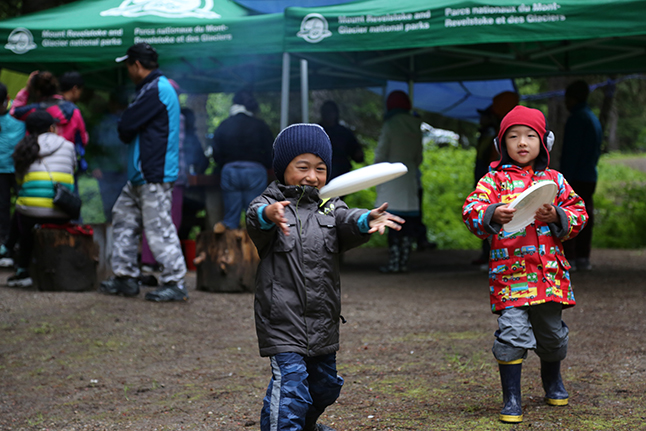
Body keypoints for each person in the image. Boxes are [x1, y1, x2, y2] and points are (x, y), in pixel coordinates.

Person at [246, 123, 404, 431]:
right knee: (290, 389)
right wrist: (269, 216)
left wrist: (365, 219)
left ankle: (306, 426)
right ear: (282, 168)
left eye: (320, 168)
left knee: (325, 387)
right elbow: (255, 217)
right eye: (302, 166)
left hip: (322, 320)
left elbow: (346, 221)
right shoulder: (269, 204)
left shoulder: (330, 206)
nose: (312, 176)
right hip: (283, 320)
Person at [462, 105, 588, 423]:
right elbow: (471, 210)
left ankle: (552, 379)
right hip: (510, 276)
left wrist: (558, 215)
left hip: (549, 277)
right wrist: (492, 213)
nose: (522, 142)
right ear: (501, 143)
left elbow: (580, 214)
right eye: (513, 136)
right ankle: (512, 398)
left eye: (530, 136)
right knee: (511, 334)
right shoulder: (493, 181)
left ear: (544, 142)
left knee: (552, 336)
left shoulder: (555, 180)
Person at [98, 43, 187, 302]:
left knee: (158, 228)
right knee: (123, 217)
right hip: (141, 174)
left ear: (136, 65)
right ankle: (125, 277)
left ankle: (175, 282)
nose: (127, 71)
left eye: (128, 66)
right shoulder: (150, 89)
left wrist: (126, 123)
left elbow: (125, 125)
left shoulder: (157, 89)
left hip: (154, 174)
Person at [5, 111, 76, 287]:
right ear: (52, 127)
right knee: (27, 211)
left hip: (31, 213)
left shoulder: (24, 147)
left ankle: (22, 268)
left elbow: (20, 181)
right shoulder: (68, 146)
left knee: (23, 212)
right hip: (63, 209)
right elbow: (71, 173)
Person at [374, 90, 423, 273]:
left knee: (392, 223)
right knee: (407, 225)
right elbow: (419, 157)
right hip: (409, 177)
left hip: (391, 177)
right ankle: (404, 262)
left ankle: (394, 263)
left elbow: (381, 153)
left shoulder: (390, 124)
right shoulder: (415, 124)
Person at [211, 90, 274, 231]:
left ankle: (228, 241)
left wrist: (224, 165)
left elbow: (216, 152)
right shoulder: (260, 125)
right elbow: (271, 150)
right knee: (255, 214)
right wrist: (265, 164)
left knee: (231, 218)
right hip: (255, 171)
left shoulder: (224, 125)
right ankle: (257, 247)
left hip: (230, 170)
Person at [472, 91, 519, 267]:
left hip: (496, 179)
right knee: (492, 214)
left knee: (500, 216)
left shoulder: (499, 132)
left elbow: (485, 155)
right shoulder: (496, 130)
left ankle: (492, 256)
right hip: (489, 179)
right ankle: (489, 255)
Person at [560, 80, 603, 271]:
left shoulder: (577, 119)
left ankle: (571, 256)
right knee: (585, 214)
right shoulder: (592, 118)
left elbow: (572, 152)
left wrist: (563, 179)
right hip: (589, 175)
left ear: (572, 98)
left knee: (570, 215)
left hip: (576, 176)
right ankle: (583, 256)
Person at [90, 91, 129, 222]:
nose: (120, 109)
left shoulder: (128, 120)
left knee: (126, 207)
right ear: (111, 104)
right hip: (106, 170)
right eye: (118, 105)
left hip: (125, 170)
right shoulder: (101, 123)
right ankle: (111, 235)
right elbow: (91, 147)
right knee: (109, 207)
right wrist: (94, 166)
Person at [0, 82, 26, 259]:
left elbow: (25, 98)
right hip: (0, 170)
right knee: (2, 206)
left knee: (23, 205)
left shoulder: (18, 113)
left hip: (18, 169)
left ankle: (19, 243)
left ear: (6, 100)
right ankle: (4, 244)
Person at [318, 100, 364, 180]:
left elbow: (357, 156)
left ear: (336, 113)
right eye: (325, 111)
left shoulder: (344, 133)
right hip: (319, 174)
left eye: (330, 112)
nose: (327, 114)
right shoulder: (315, 132)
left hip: (341, 176)